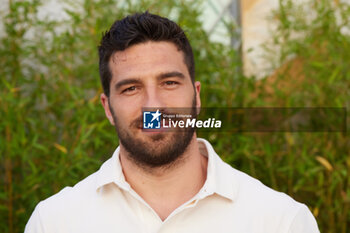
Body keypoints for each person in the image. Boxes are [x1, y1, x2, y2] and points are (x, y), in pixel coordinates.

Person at [25, 12, 320, 233]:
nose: (154, 106)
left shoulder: (282, 221)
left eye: (169, 82)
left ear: (197, 95)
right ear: (108, 108)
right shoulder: (54, 222)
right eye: (131, 88)